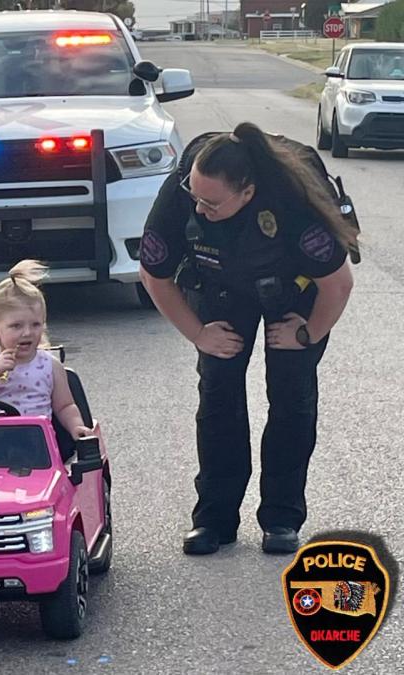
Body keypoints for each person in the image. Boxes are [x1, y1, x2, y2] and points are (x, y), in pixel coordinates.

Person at [138, 122, 357, 556]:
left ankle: (281, 518)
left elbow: (338, 284)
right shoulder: (184, 193)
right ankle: (214, 521)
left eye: (212, 202)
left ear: (248, 194)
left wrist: (307, 331)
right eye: (195, 195)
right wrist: (199, 334)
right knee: (218, 392)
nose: (199, 209)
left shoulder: (293, 202)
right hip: (218, 287)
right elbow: (154, 276)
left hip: (294, 292)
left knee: (292, 396)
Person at [0, 259, 94, 441]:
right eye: (16, 326)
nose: (27, 333)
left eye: (35, 324)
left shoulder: (50, 365)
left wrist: (76, 427)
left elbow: (65, 406)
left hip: (39, 448)